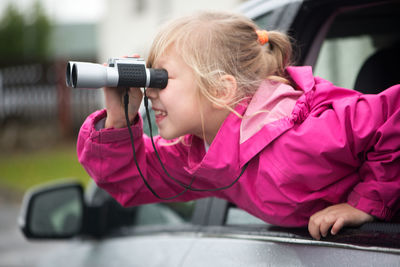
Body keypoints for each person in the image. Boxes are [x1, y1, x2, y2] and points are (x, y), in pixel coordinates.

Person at [77, 11, 400, 240]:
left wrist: (367, 202)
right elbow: (133, 179)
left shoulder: (297, 134)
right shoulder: (200, 156)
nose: (150, 93)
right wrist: (119, 119)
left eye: (161, 79)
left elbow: (393, 113)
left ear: (221, 90)